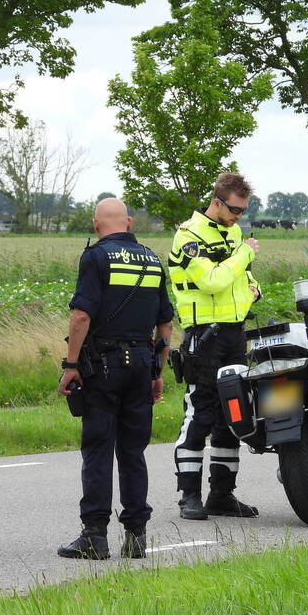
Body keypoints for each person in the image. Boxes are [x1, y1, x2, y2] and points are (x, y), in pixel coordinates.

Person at [57, 198, 174, 560]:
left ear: (95, 225)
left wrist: (71, 364)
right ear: (129, 222)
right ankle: (136, 537)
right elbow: (165, 324)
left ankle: (94, 537)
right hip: (142, 363)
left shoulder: (95, 257)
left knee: (98, 450)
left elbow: (81, 317)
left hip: (103, 365)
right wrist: (158, 372)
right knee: (132, 451)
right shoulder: (153, 260)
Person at [168, 172, 262, 520]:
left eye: (243, 211)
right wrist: (244, 258)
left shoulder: (233, 233)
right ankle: (189, 496)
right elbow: (211, 280)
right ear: (217, 201)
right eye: (235, 210)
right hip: (203, 337)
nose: (239, 217)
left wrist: (253, 288)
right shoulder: (188, 236)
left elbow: (238, 277)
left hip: (234, 334)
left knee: (232, 415)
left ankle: (222, 494)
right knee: (200, 413)